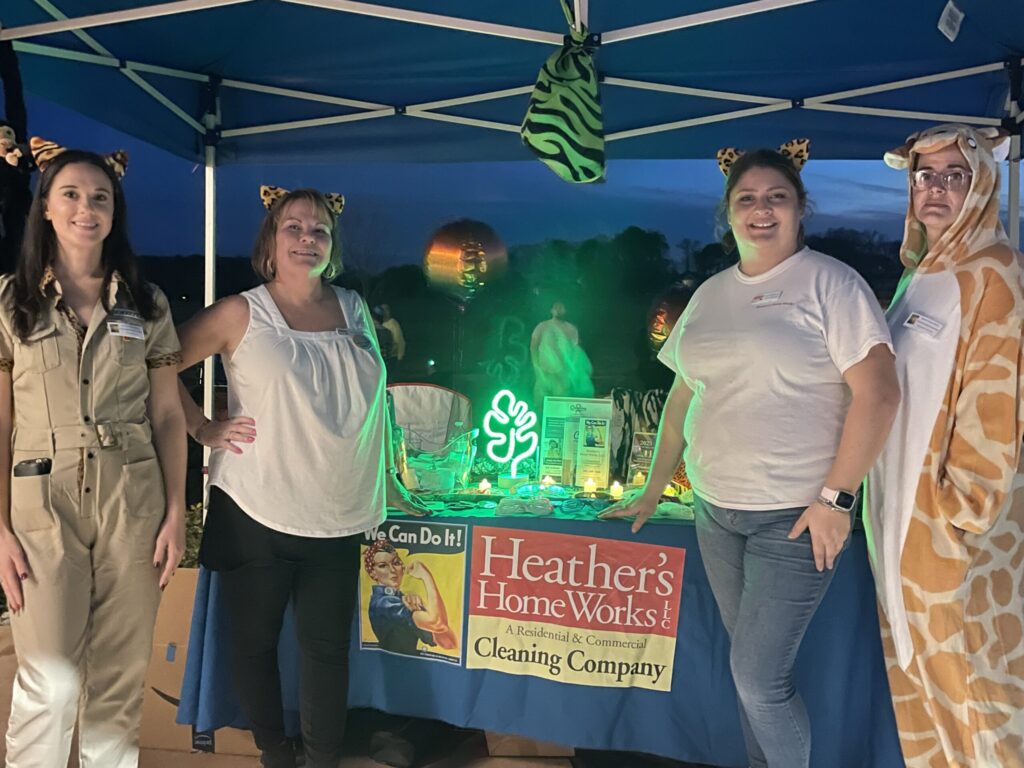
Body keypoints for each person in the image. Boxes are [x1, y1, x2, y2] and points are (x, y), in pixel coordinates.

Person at [602, 141, 901, 768]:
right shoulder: (709, 294)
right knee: (747, 671)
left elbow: (879, 394)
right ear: (727, 212)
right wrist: (653, 488)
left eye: (776, 197)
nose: (761, 210)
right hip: (716, 510)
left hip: (794, 515)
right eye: (747, 199)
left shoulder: (831, 284)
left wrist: (836, 500)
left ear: (800, 208)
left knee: (760, 680)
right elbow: (682, 397)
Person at [176, 185, 429, 768]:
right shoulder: (241, 312)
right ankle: (274, 751)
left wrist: (391, 482)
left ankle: (321, 760)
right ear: (271, 239)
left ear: (332, 244)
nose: (307, 238)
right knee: (255, 645)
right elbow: (153, 363)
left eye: (319, 230)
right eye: (293, 227)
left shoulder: (354, 307)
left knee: (327, 651)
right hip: (256, 508)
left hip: (339, 512)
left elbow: (373, 404)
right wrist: (202, 427)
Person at [0, 145, 186, 767]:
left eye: (100, 197)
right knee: (52, 675)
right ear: (46, 209)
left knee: (119, 675)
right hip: (41, 504)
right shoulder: (10, 303)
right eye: (72, 195)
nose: (87, 208)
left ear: (115, 212)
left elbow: (167, 414)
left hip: (132, 500)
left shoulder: (146, 303)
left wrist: (177, 512)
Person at [865, 124, 1024, 767]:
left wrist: (959, 517)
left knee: (977, 697)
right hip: (901, 526)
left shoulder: (995, 272)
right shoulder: (921, 273)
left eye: (954, 176)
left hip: (949, 537)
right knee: (926, 697)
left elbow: (997, 402)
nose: (935, 189)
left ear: (982, 185)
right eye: (924, 176)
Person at [364, 539, 456, 655]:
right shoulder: (384, 603)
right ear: (372, 573)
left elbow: (449, 643)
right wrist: (426, 577)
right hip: (393, 663)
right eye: (383, 566)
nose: (392, 570)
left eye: (396, 563)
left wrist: (419, 610)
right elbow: (437, 623)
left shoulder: (403, 600)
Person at [530, 300, 594, 406]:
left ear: (565, 310)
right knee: (540, 404)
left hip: (563, 376)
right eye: (556, 307)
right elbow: (533, 347)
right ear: (551, 310)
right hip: (545, 373)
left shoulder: (571, 329)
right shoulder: (542, 326)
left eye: (561, 307)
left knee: (560, 406)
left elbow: (575, 352)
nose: (558, 309)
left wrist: (571, 372)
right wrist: (537, 366)